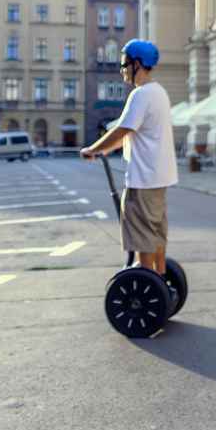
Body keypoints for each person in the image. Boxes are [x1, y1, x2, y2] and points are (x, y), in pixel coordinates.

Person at [79, 39, 178, 277]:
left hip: (143, 178)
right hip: (159, 176)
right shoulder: (159, 92)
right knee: (156, 230)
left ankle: (146, 280)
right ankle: (160, 277)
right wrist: (105, 149)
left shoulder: (141, 94)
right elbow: (130, 132)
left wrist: (93, 149)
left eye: (124, 63)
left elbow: (123, 130)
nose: (122, 69)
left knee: (143, 234)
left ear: (137, 64)